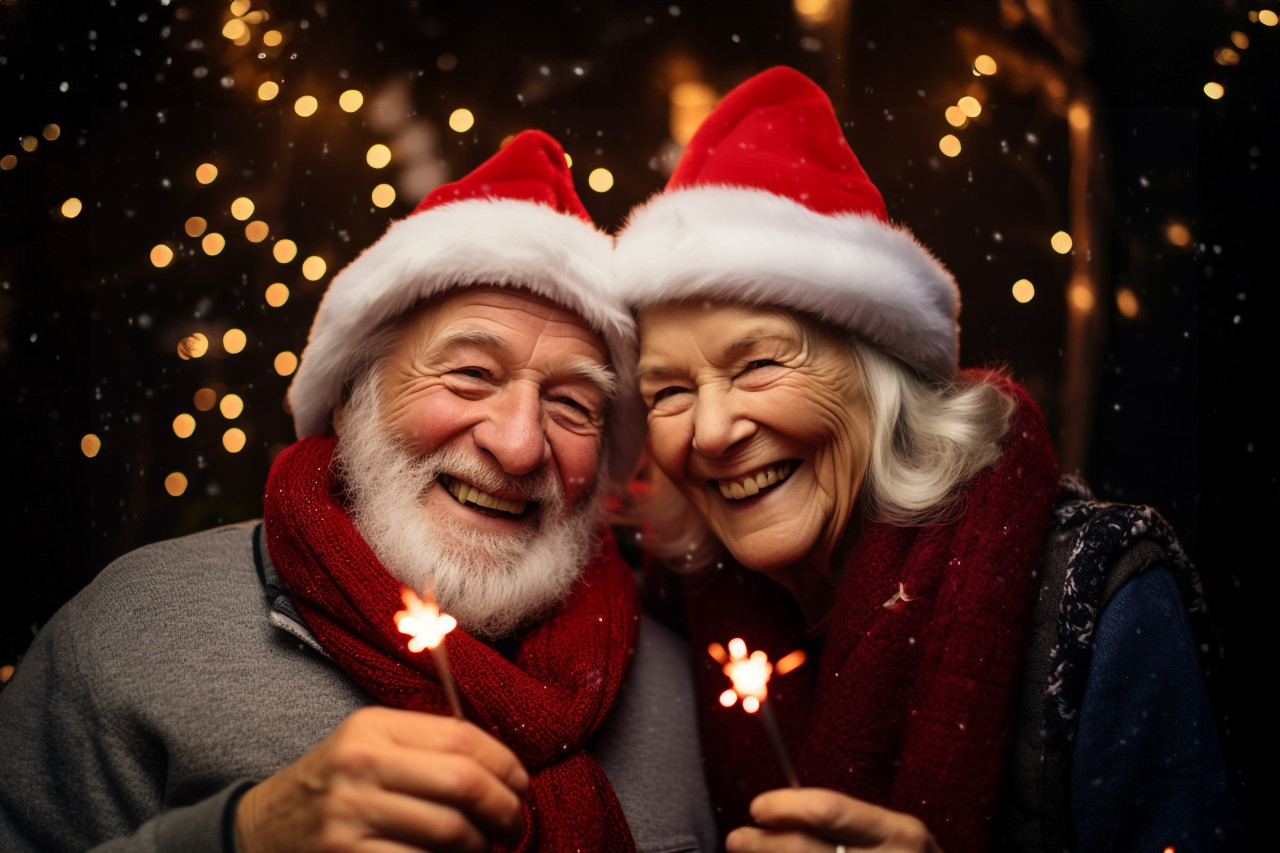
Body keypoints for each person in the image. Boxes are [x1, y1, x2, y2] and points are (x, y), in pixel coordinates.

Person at [0, 130, 716, 853]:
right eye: (469, 373)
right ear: (351, 400)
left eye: (572, 405)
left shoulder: (681, 690)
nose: (519, 443)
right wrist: (238, 835)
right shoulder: (138, 629)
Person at [612, 67, 1243, 852]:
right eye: (668, 390)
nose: (709, 432)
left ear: (882, 381)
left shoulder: (1102, 597)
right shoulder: (668, 610)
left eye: (760, 365)